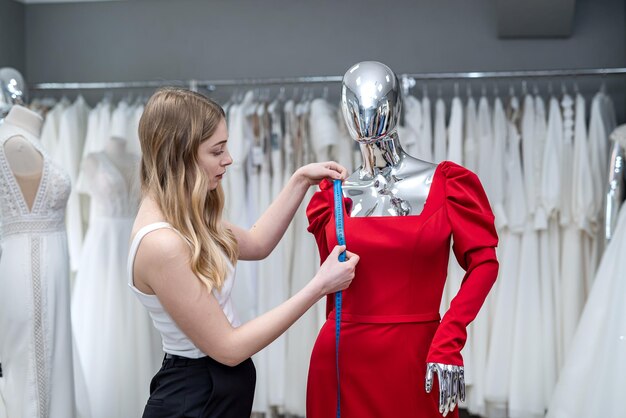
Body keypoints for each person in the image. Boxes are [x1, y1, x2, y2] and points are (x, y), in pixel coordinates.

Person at [127, 87, 359, 418]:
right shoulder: (162, 243)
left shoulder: (184, 217)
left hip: (214, 393)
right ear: (180, 154)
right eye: (217, 150)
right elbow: (229, 348)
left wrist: (300, 180)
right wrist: (319, 286)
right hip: (194, 399)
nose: (229, 159)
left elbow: (258, 242)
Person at [305, 62, 499, 418]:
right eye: (355, 106)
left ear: (396, 107)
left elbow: (484, 263)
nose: (365, 117)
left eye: (378, 103)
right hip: (340, 360)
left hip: (421, 357)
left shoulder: (447, 185)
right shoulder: (330, 196)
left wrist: (450, 337)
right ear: (344, 114)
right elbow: (331, 290)